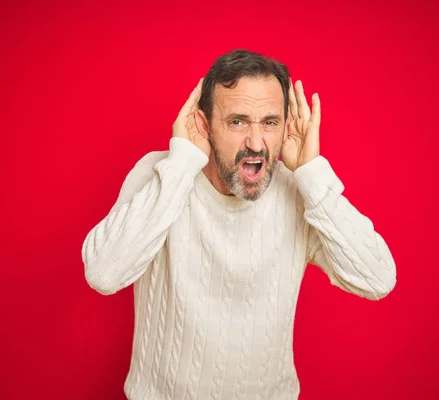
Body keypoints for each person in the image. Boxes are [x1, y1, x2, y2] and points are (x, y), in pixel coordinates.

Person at [81, 49, 397, 400]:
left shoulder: (297, 189)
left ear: (286, 127)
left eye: (270, 122)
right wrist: (182, 163)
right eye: (238, 122)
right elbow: (103, 274)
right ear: (205, 124)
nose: (256, 143)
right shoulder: (163, 173)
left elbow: (378, 278)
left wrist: (312, 173)